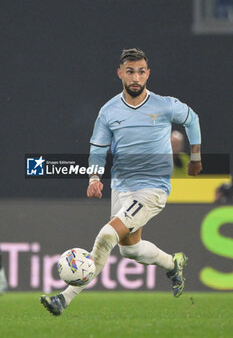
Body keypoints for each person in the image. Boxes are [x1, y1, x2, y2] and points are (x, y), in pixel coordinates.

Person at [40, 48, 202, 315]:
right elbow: (98, 148)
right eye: (130, 72)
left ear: (148, 74)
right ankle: (173, 265)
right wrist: (93, 176)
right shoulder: (109, 111)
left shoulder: (164, 105)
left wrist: (195, 157)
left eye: (141, 71)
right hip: (121, 187)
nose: (136, 77)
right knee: (131, 250)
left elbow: (192, 119)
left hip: (152, 189)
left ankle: (64, 299)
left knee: (106, 236)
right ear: (120, 74)